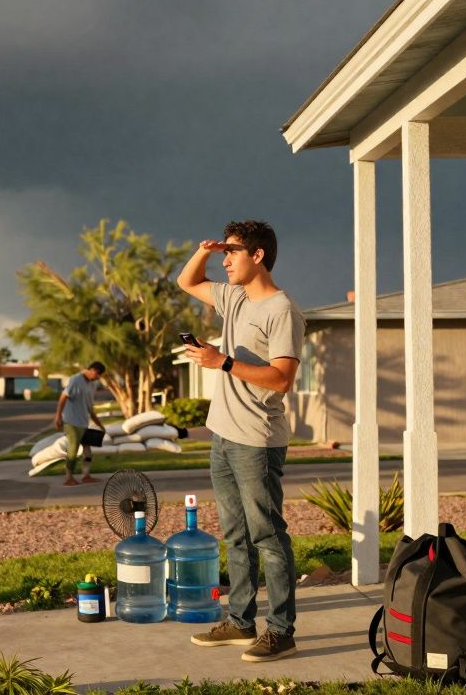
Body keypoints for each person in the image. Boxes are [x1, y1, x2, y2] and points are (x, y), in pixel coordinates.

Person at [175, 219, 306, 664]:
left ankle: (282, 631)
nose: (225, 261)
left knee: (267, 535)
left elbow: (282, 378)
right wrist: (205, 249)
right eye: (224, 253)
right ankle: (240, 621)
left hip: (257, 441)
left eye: (232, 252)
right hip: (223, 434)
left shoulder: (282, 310)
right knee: (235, 535)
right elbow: (187, 281)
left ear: (258, 255)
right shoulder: (234, 297)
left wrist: (223, 362)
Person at [54, 362, 108, 486]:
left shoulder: (92, 385)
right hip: (71, 422)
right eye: (98, 374)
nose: (98, 377)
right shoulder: (76, 380)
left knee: (87, 450)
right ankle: (68, 478)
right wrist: (58, 416)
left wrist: (100, 425)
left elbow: (90, 408)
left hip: (83, 422)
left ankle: (86, 475)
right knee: (73, 449)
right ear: (92, 370)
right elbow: (63, 397)